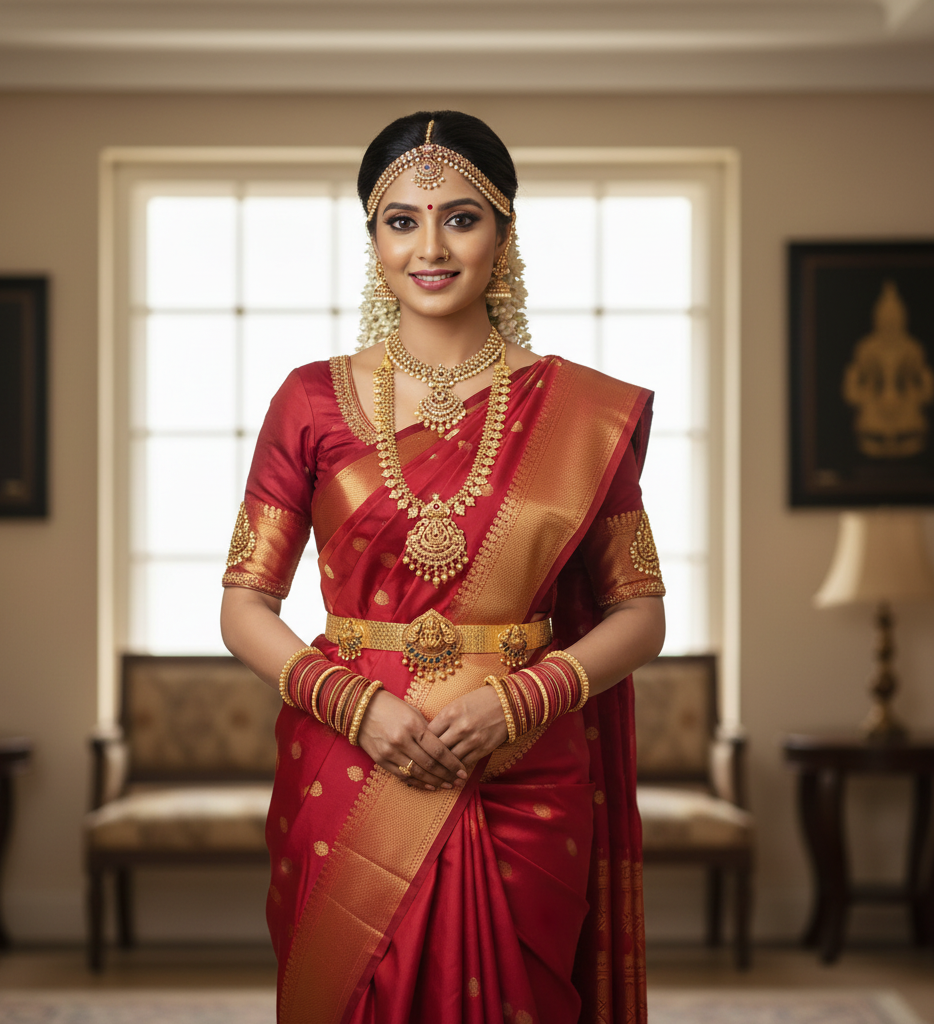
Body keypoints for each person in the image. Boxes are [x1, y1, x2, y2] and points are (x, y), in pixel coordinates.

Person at [221, 110, 666, 1024]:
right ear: (374, 239)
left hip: (523, 767)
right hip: (350, 759)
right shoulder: (311, 399)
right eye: (401, 221)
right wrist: (354, 704)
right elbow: (243, 604)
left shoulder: (576, 412)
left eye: (461, 217)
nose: (431, 246)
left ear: (504, 234)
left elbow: (641, 612)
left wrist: (519, 701)